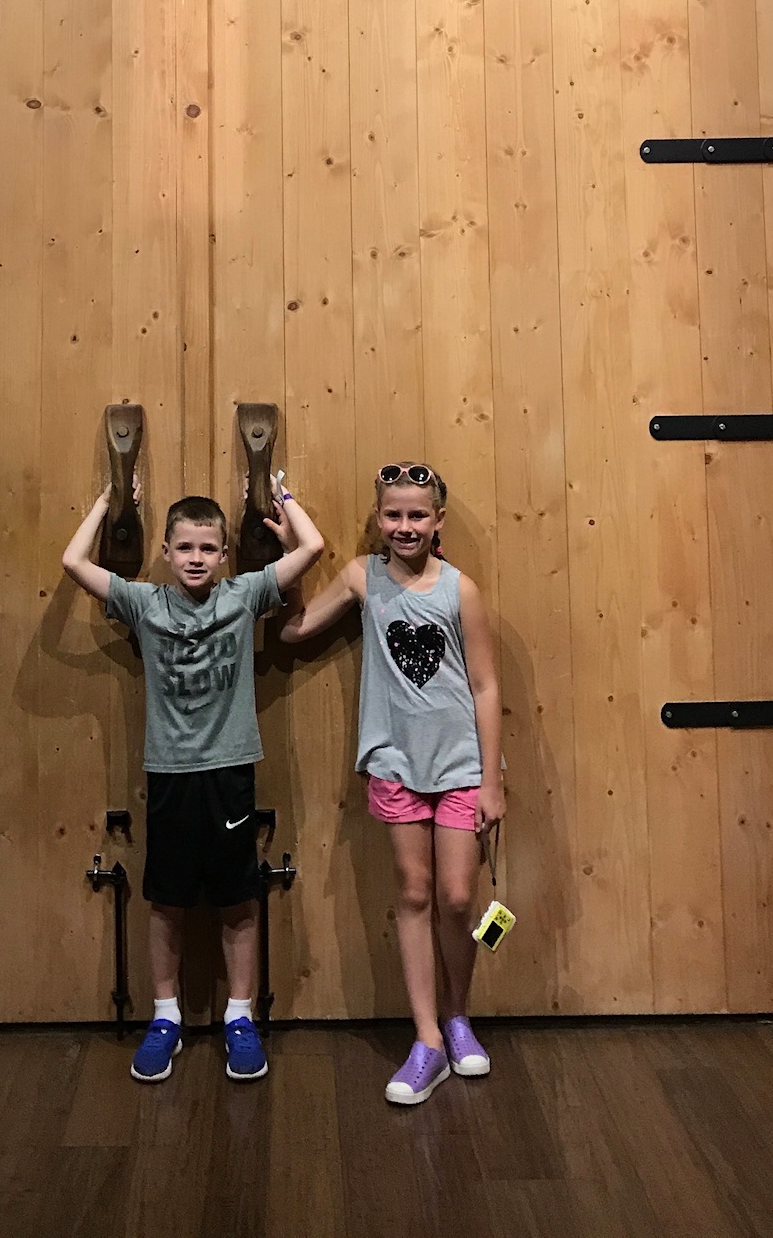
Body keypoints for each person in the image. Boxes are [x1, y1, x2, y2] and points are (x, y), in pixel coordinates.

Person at [61, 471, 324, 1084]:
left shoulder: (245, 595)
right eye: (184, 547)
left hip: (230, 772)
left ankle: (239, 1017)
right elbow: (73, 561)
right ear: (166, 551)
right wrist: (108, 501)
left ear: (225, 554)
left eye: (208, 547)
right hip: (171, 774)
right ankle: (165, 1017)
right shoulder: (143, 602)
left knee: (237, 898)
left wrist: (282, 499)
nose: (196, 558)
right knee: (168, 900)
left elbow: (312, 548)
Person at [278, 462, 504, 1105]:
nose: (405, 526)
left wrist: (492, 779)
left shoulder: (460, 590)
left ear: (438, 520)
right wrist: (289, 555)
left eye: (417, 515)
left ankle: (458, 1018)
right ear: (378, 519)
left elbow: (486, 686)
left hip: (461, 766)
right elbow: (295, 628)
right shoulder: (361, 577)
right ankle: (427, 1038)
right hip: (394, 763)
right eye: (393, 514)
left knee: (457, 897)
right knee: (413, 890)